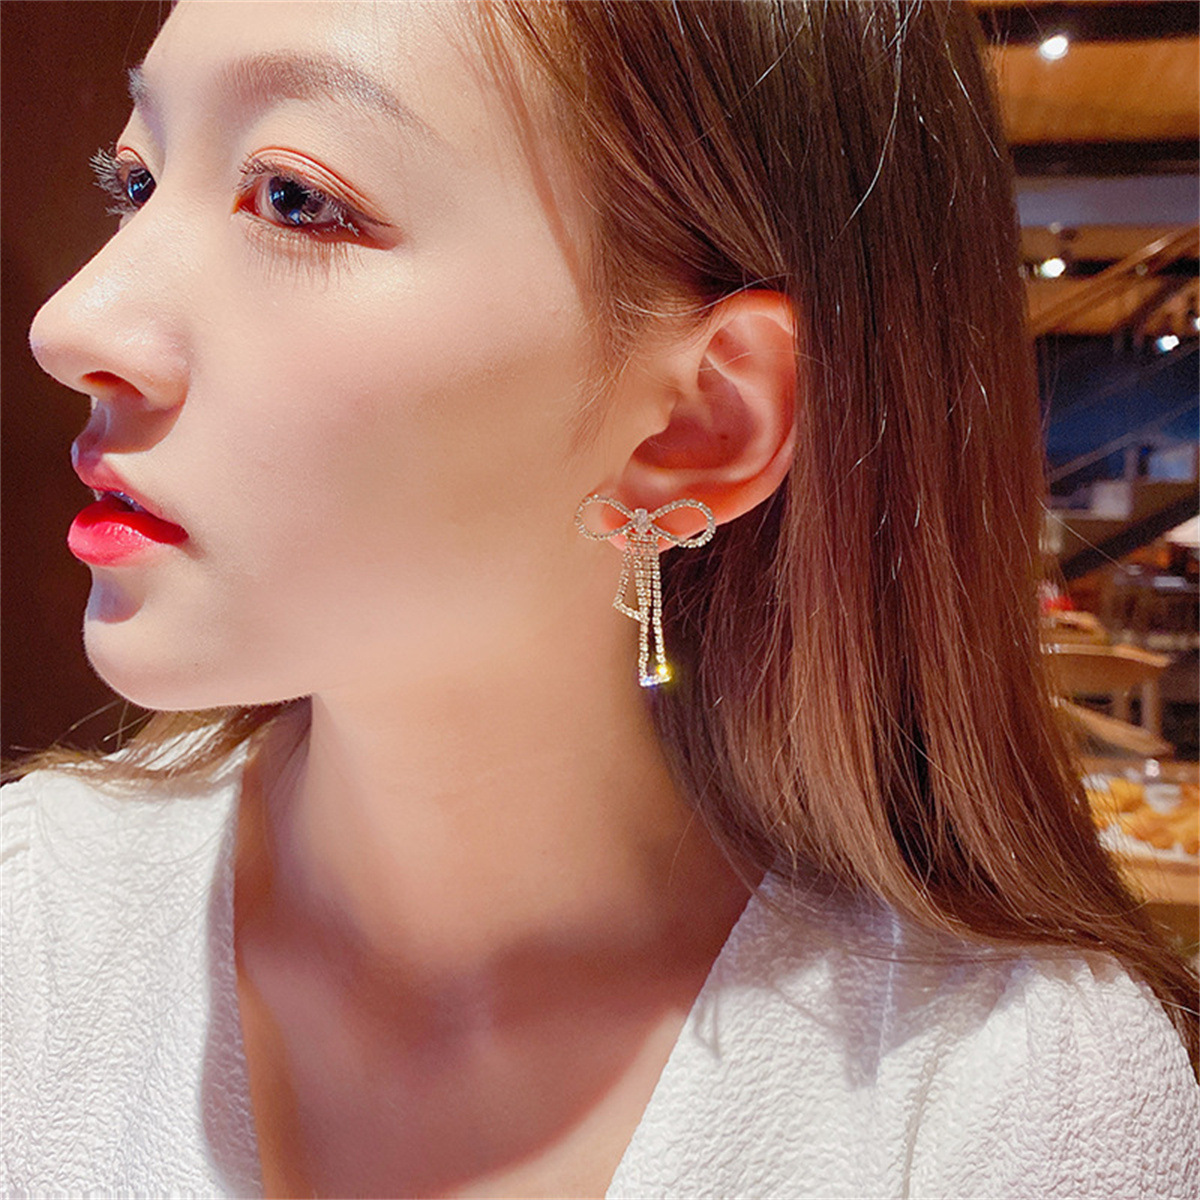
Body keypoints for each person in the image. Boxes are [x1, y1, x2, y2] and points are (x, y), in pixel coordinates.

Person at [3, 1, 1197, 1196]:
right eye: (135, 181)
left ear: (702, 421)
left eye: (295, 198)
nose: (71, 323)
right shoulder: (33, 923)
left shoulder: (1010, 1103)